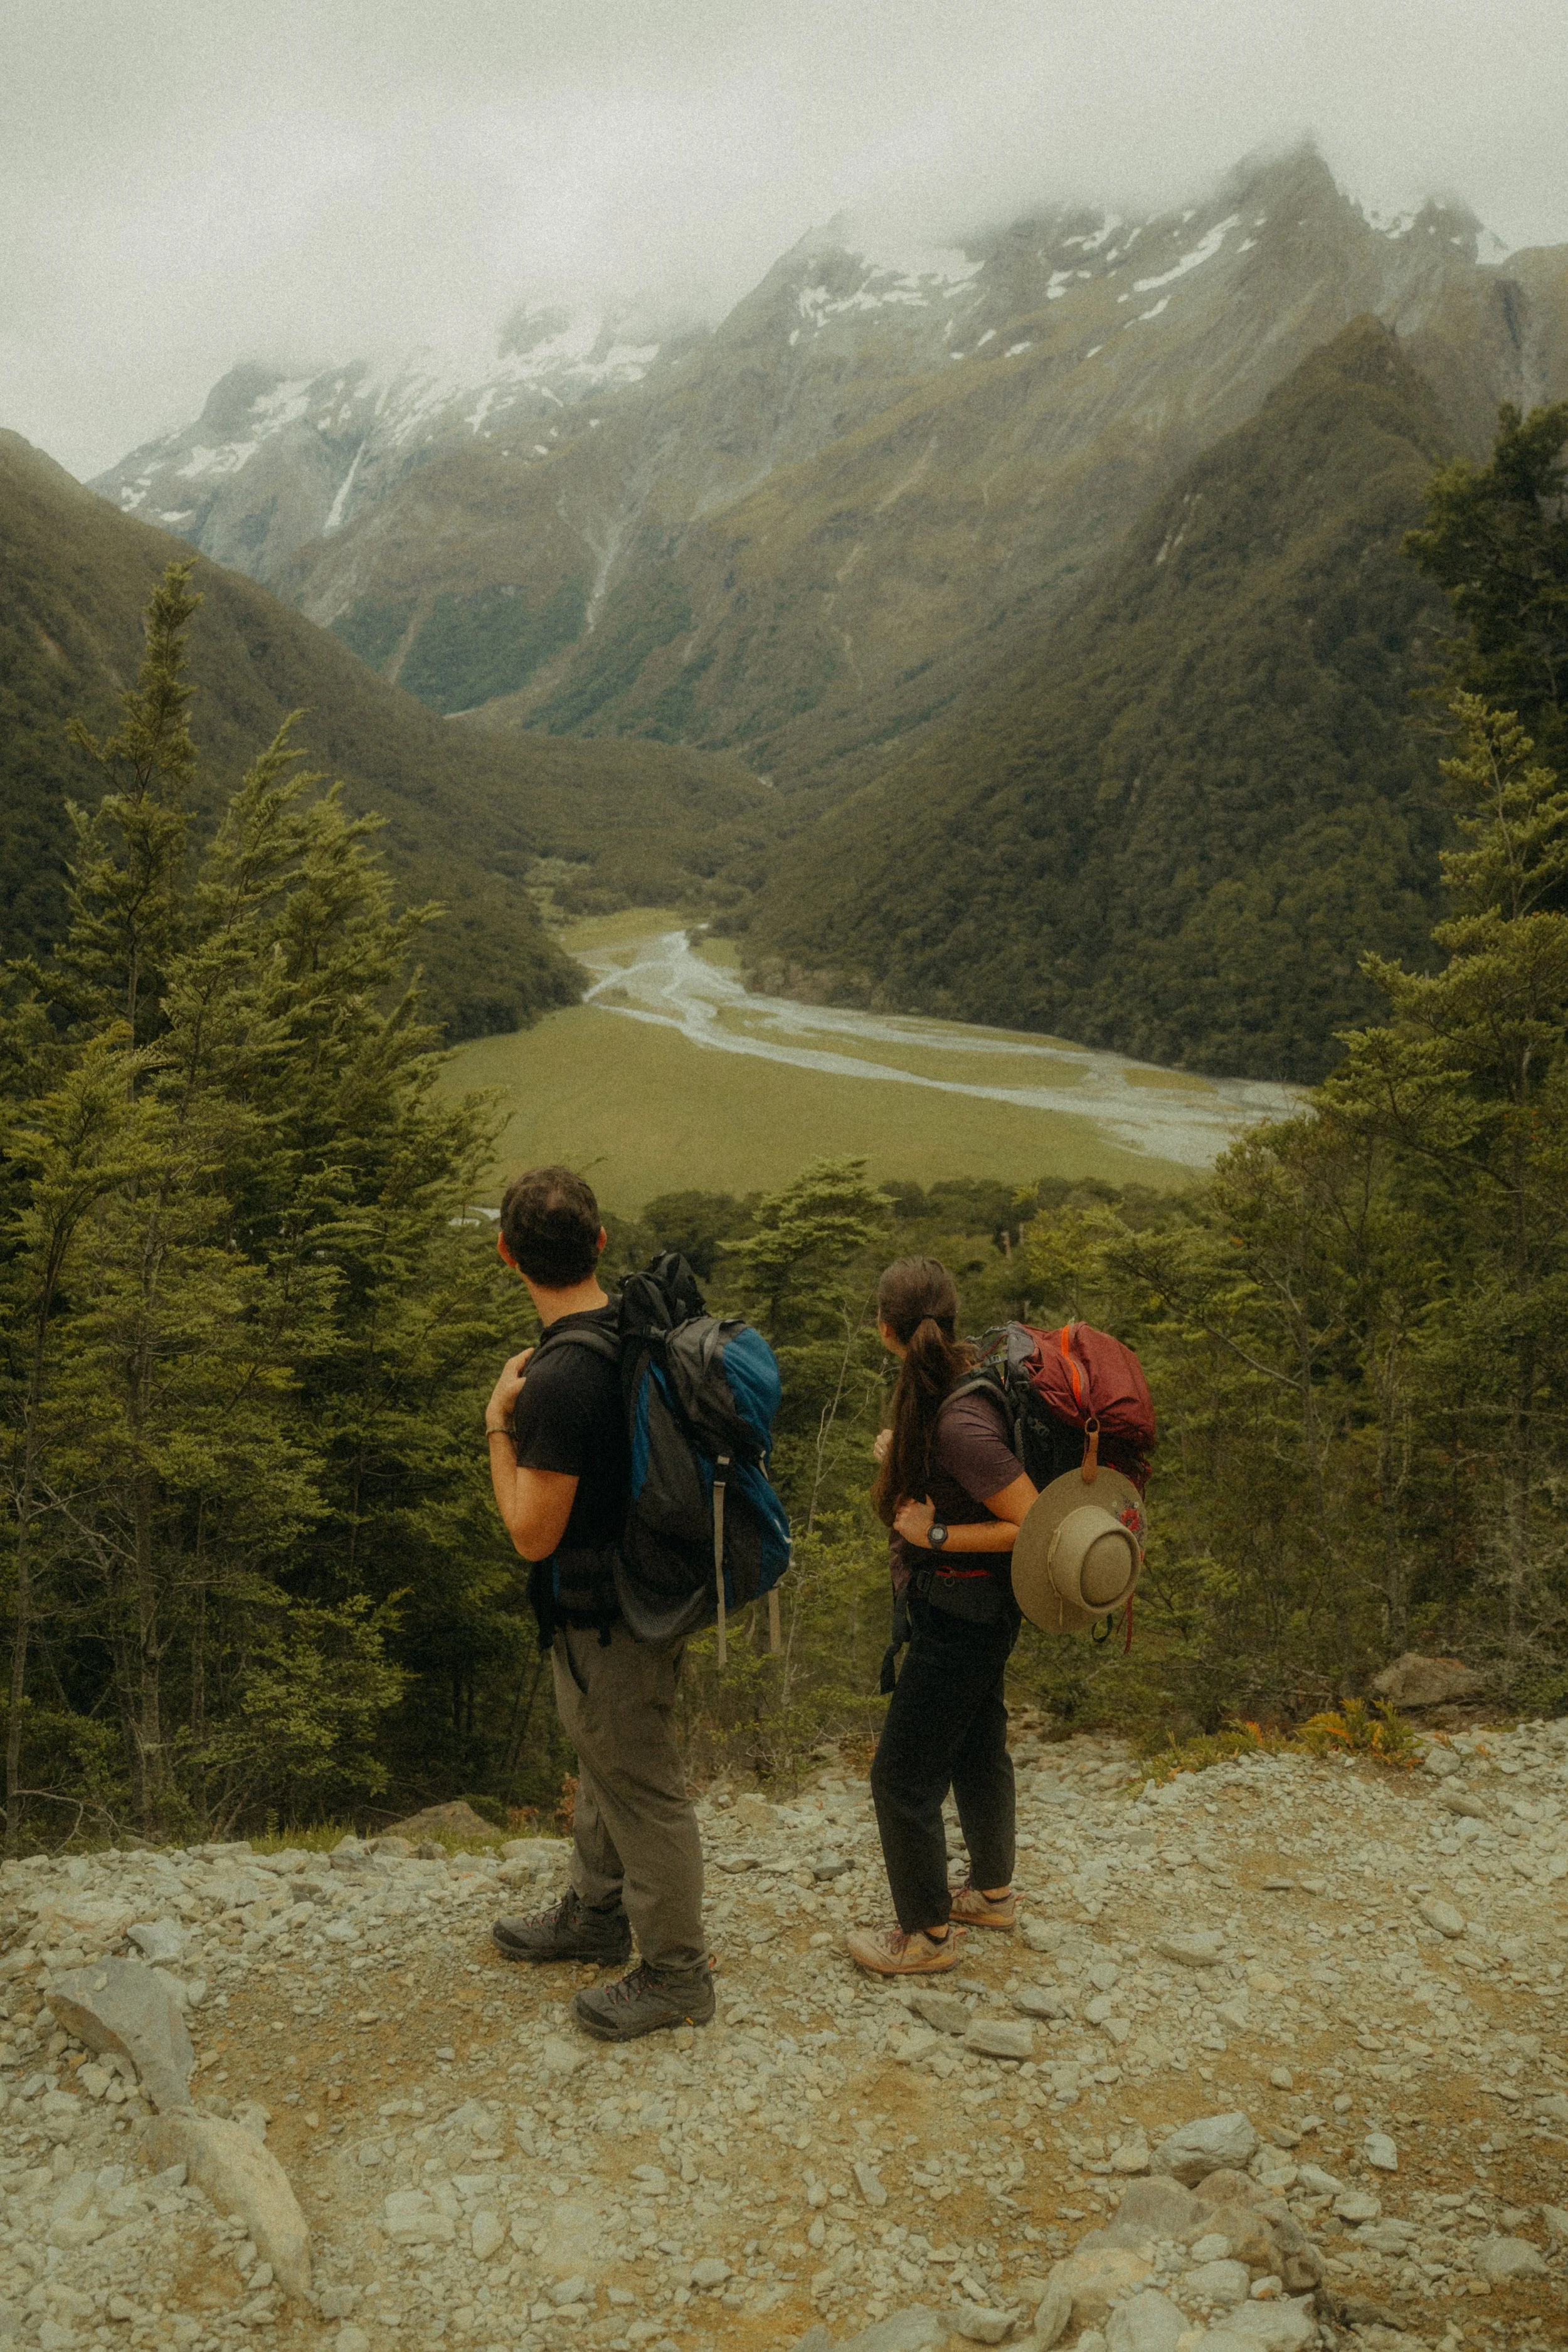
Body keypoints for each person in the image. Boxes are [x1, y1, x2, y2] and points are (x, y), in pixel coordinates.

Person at [482, 1165, 713, 2040]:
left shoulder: (558, 1380)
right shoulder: (627, 1322)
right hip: (641, 1595)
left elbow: (531, 1531)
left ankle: (677, 1972)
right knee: (604, 1755)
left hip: (611, 1610)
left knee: (641, 1780)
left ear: (508, 1254)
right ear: (601, 1241)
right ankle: (593, 1913)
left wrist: (498, 1426)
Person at [847, 1256, 1038, 1976]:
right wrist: (902, 1454)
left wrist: (933, 1535)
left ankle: (925, 1935)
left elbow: (1033, 1523)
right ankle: (989, 1892)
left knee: (899, 1778)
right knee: (976, 1744)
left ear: (886, 1329)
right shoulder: (955, 1378)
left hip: (960, 1612)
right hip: (980, 1610)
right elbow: (963, 1469)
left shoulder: (958, 1418)